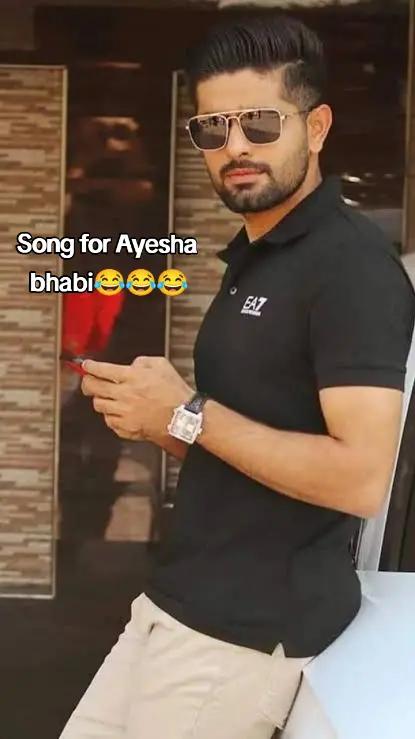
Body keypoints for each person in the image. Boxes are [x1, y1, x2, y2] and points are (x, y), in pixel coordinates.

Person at [58, 12, 415, 739]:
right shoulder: (257, 256)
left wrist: (185, 411)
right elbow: (243, 440)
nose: (235, 147)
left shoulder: (349, 268)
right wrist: (158, 420)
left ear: (316, 127)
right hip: (177, 603)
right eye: (212, 129)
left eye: (258, 123)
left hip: (243, 634)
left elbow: (358, 480)